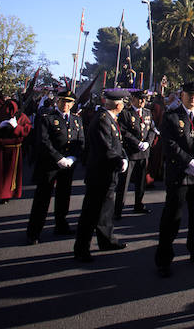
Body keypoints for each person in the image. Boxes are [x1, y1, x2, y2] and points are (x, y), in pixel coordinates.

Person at [155, 82, 194, 277]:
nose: (193, 98)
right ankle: (164, 259)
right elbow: (169, 143)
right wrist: (188, 162)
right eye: (190, 95)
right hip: (179, 174)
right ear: (182, 95)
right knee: (172, 217)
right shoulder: (171, 117)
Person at [73, 89, 129, 262]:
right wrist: (120, 161)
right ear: (118, 104)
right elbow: (105, 148)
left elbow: (117, 144)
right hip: (99, 173)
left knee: (106, 210)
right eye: (123, 103)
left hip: (108, 172)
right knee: (91, 212)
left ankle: (106, 240)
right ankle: (82, 248)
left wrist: (123, 157)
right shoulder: (102, 120)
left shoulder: (110, 119)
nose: (123, 105)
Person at [26, 90, 83, 244]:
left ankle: (61, 225)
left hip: (68, 164)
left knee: (64, 197)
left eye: (69, 102)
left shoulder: (76, 120)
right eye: (63, 101)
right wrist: (59, 158)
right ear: (57, 101)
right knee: (42, 199)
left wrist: (73, 157)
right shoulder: (47, 118)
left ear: (73, 104)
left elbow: (80, 141)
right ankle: (34, 232)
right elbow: (43, 141)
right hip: (50, 164)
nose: (66, 104)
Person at [114, 90, 155, 219]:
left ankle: (139, 204)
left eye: (144, 99)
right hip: (130, 152)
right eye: (140, 99)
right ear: (133, 99)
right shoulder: (125, 113)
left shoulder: (148, 112)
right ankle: (118, 209)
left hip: (144, 152)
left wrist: (148, 142)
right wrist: (137, 142)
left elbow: (152, 129)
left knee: (141, 181)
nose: (143, 101)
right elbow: (123, 131)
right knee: (124, 183)